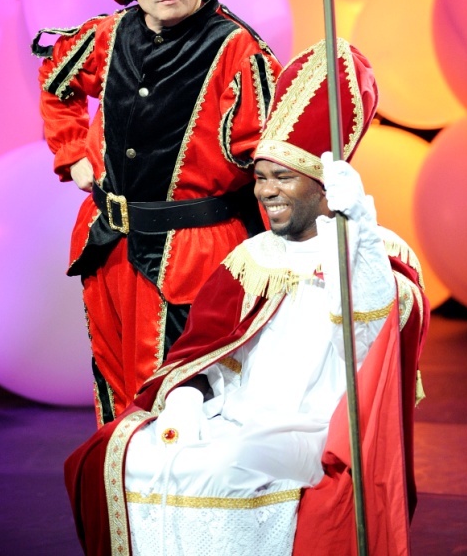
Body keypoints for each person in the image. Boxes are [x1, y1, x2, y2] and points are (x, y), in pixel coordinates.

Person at [63, 37, 430, 556]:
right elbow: (205, 351)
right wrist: (187, 398)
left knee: (225, 466)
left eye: (283, 177)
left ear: (325, 187)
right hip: (236, 414)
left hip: (312, 429)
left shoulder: (373, 253)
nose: (266, 190)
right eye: (260, 177)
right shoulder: (253, 257)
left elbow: (370, 333)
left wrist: (360, 231)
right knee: (129, 454)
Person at [32, 0, 282, 425]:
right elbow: (57, 78)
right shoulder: (108, 35)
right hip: (110, 246)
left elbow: (265, 152)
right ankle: (124, 479)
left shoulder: (237, 49)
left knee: (182, 408)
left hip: (195, 257)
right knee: (117, 394)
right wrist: (72, 152)